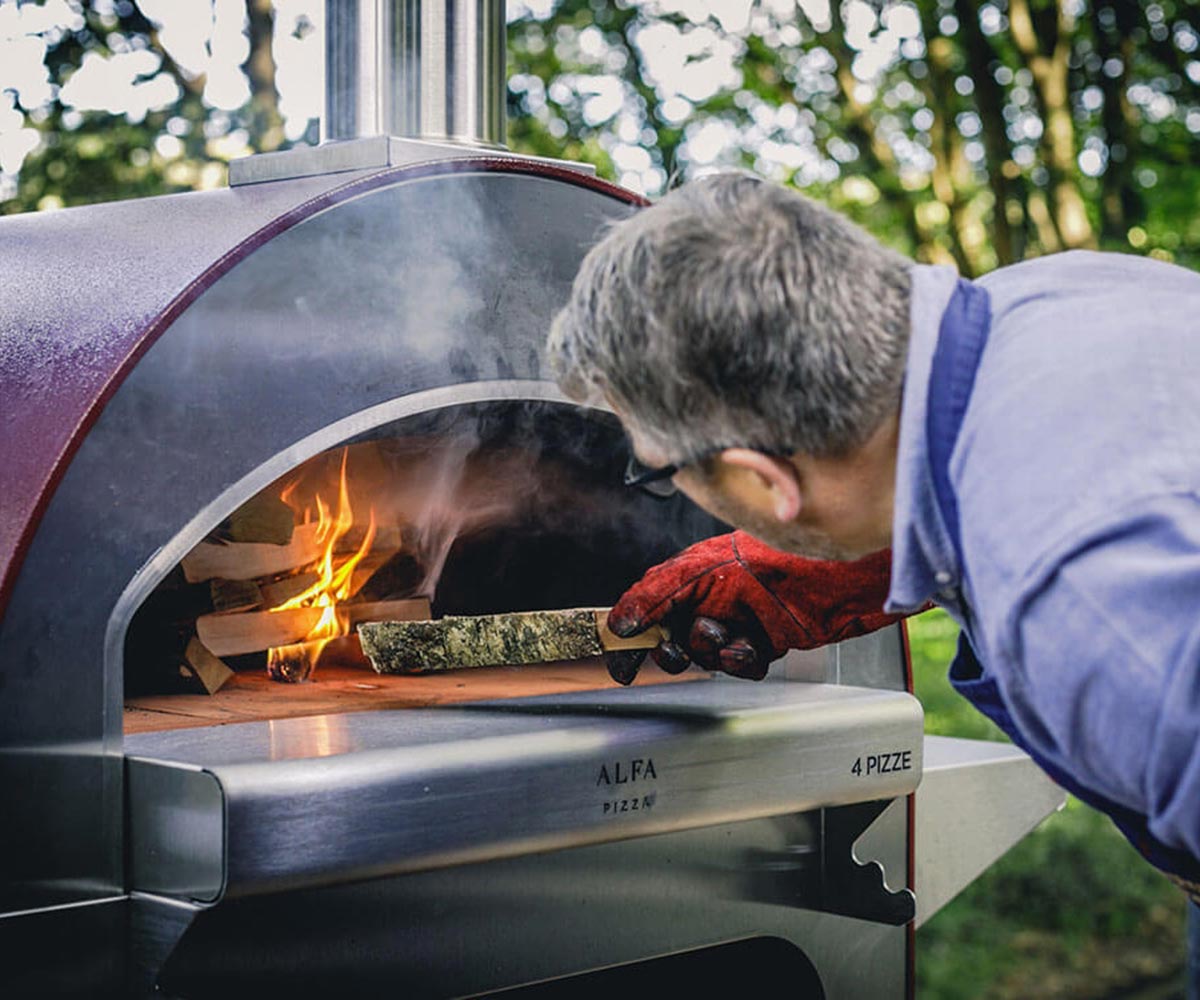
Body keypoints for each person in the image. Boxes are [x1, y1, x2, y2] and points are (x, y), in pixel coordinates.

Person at [546, 173, 1200, 921]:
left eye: (658, 467)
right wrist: (893, 554)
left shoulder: (1080, 604)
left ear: (766, 480)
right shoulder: (1056, 292)